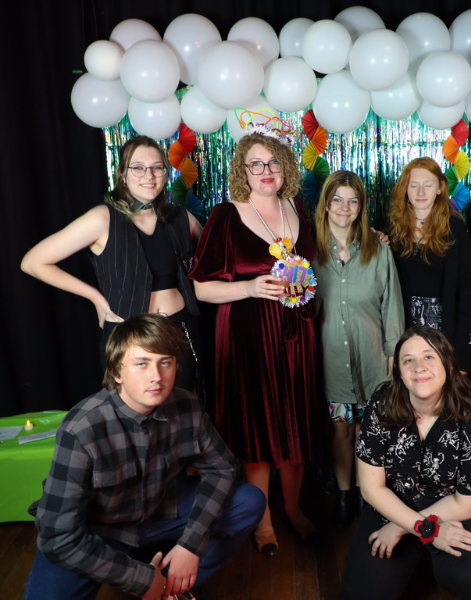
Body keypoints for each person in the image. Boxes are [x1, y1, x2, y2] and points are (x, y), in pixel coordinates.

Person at [22, 313, 265, 600]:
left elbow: (222, 468)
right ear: (116, 372)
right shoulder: (82, 428)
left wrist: (191, 545)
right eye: (142, 364)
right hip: (98, 530)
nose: (157, 376)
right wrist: (141, 579)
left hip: (160, 511)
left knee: (249, 500)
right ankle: (155, 580)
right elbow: (57, 538)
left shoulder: (187, 405)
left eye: (166, 362)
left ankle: (176, 586)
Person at [188, 125, 321, 556]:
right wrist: (249, 288)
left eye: (273, 163)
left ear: (285, 169)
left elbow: (314, 267)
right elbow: (201, 288)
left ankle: (294, 510)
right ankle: (262, 523)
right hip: (245, 334)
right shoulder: (226, 215)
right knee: (256, 427)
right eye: (256, 164)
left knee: (294, 424)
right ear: (243, 170)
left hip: (296, 334)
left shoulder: (297, 207)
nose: (266, 171)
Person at [20, 136, 202, 390]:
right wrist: (94, 297)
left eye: (157, 167)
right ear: (122, 175)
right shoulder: (103, 218)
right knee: (131, 421)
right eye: (138, 167)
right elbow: (33, 262)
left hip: (180, 331)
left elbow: (212, 265)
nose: (148, 175)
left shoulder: (182, 218)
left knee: (183, 417)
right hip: (128, 337)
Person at [340, 326, 471, 600]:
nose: (419, 367)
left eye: (429, 356)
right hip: (397, 499)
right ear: (399, 373)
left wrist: (405, 527)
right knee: (361, 594)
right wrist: (425, 529)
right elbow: (371, 489)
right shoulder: (380, 405)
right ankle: (420, 557)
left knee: (470, 576)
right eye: (408, 360)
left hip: (459, 503)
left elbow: (468, 502)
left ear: (447, 363)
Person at [313, 170, 404, 529]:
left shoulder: (378, 249)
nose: (344, 207)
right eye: (337, 199)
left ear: (361, 207)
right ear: (325, 204)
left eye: (353, 201)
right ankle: (346, 495)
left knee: (373, 431)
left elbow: (392, 306)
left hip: (373, 361)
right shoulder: (308, 252)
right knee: (340, 432)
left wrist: (393, 353)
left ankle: (372, 498)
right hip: (330, 360)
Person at [388, 157, 471, 374]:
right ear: (405, 190)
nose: (421, 192)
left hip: (445, 339)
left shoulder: (455, 230)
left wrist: (464, 355)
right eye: (414, 185)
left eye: (428, 185)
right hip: (405, 337)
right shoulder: (393, 231)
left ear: (439, 188)